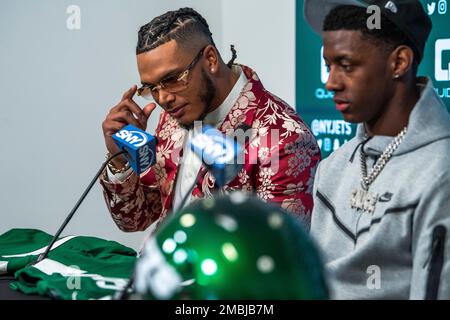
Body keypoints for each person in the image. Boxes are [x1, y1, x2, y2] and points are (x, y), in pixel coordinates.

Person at [100, 8, 320, 233]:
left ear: (211, 59)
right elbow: (135, 219)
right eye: (151, 88)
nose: (163, 99)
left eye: (173, 79)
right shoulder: (176, 115)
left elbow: (277, 254)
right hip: (158, 262)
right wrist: (120, 159)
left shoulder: (283, 139)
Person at [304, 0, 450, 299]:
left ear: (398, 63)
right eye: (328, 66)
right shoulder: (333, 166)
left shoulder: (440, 173)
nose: (331, 82)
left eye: (346, 66)